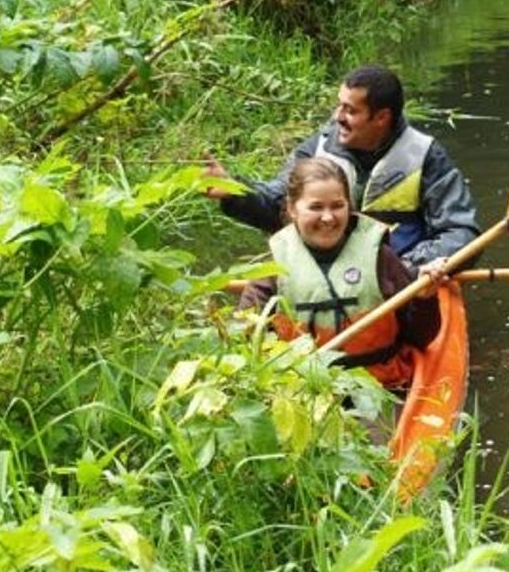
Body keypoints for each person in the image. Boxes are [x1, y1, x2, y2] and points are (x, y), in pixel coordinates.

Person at [205, 64, 479, 275]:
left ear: (382, 117)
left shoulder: (426, 156)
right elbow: (277, 203)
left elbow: (461, 233)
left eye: (350, 110)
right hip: (326, 274)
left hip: (400, 281)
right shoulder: (317, 148)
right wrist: (233, 192)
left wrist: (400, 269)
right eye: (339, 105)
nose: (338, 117)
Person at [239, 157, 443, 389]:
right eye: (316, 207)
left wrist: (425, 299)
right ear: (292, 209)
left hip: (378, 387)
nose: (328, 217)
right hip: (302, 389)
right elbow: (246, 342)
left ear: (349, 206)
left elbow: (422, 337)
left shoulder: (380, 258)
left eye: (337, 206)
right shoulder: (274, 267)